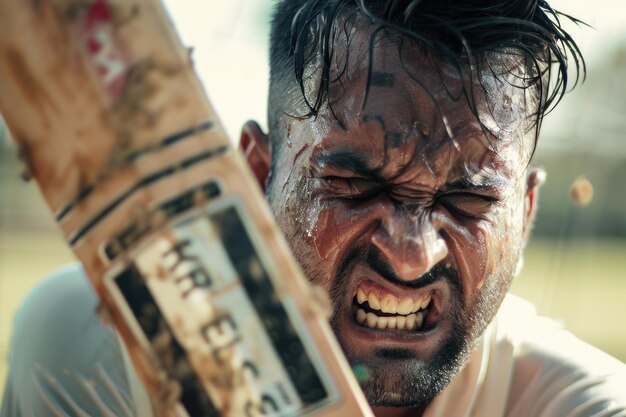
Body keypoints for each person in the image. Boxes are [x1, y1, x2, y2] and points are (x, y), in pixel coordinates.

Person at [2, 0, 626, 416]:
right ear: (256, 175)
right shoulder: (95, 347)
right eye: (355, 188)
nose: (412, 255)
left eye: (465, 201)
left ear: (527, 212)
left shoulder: (575, 403)